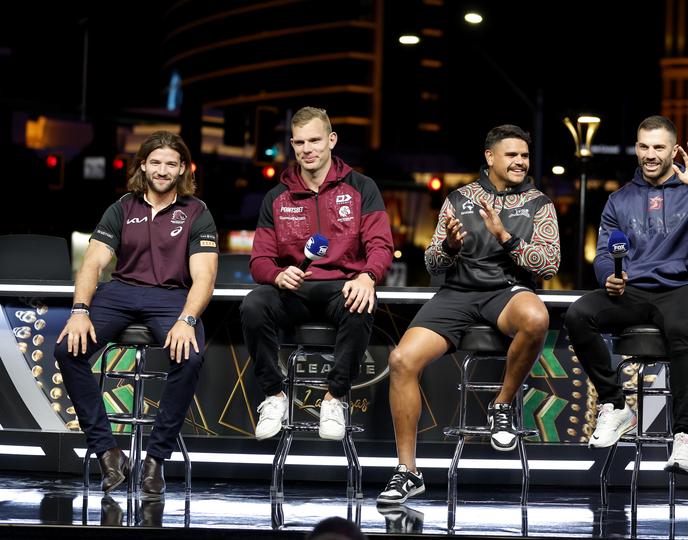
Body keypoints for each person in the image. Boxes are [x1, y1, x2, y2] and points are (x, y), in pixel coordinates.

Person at [376, 124, 561, 505]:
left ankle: (502, 404)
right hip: (457, 293)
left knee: (537, 318)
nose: (520, 162)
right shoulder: (459, 199)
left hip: (505, 292)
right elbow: (431, 260)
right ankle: (407, 472)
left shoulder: (539, 203)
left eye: (524, 156)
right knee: (401, 360)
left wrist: (505, 237)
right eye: (511, 155)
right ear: (490, 157)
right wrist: (449, 245)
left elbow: (549, 264)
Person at [564, 115, 688, 475]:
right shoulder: (619, 199)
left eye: (658, 147)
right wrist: (608, 277)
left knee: (679, 329)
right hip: (633, 293)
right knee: (577, 315)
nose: (650, 154)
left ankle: (685, 437)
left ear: (673, 150)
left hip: (683, 290)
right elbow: (602, 254)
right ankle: (616, 406)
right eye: (644, 146)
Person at [55, 131, 218, 498]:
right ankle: (108, 451)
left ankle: (155, 460)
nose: (162, 170)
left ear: (182, 170)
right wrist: (80, 311)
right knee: (67, 350)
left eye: (170, 164)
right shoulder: (123, 206)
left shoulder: (196, 212)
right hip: (121, 292)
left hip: (171, 297)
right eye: (156, 162)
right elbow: (93, 262)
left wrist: (186, 319)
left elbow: (205, 277)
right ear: (143, 165)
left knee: (190, 358)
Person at [241, 107, 393, 442]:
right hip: (293, 292)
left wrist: (368, 276)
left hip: (342, 287)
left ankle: (334, 399)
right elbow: (259, 261)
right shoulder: (276, 197)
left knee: (362, 301)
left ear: (331, 140)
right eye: (299, 142)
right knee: (253, 304)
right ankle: (274, 397)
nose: (307, 149)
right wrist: (278, 275)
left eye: (314, 140)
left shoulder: (362, 188)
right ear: (292, 145)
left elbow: (381, 245)